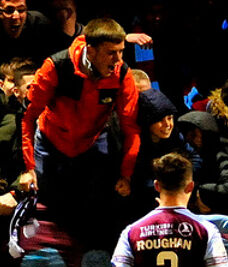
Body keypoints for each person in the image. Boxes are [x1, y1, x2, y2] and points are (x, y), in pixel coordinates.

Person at [19, 18, 140, 241]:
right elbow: (27, 118)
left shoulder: (122, 74)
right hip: (50, 142)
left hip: (93, 141)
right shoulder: (56, 67)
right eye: (112, 53)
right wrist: (29, 167)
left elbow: (131, 129)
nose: (118, 60)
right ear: (90, 51)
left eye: (122, 52)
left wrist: (126, 174)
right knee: (49, 208)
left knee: (95, 210)